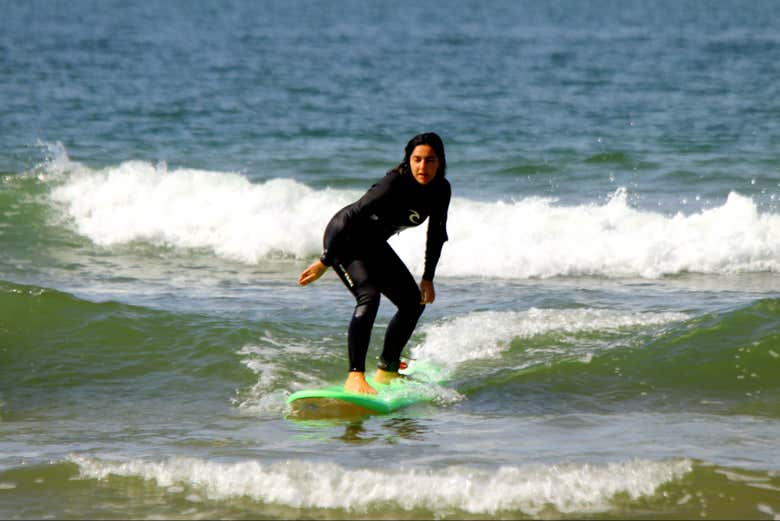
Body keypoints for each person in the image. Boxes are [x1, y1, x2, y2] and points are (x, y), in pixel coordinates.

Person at [297, 132, 451, 394]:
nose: (422, 167)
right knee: (369, 296)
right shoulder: (393, 184)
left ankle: (387, 370)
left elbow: (436, 235)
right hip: (344, 239)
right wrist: (325, 261)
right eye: (417, 160)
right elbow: (350, 218)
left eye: (430, 160)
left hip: (373, 244)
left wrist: (428, 277)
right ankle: (355, 376)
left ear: (440, 162)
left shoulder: (440, 190)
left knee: (413, 303)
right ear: (408, 160)